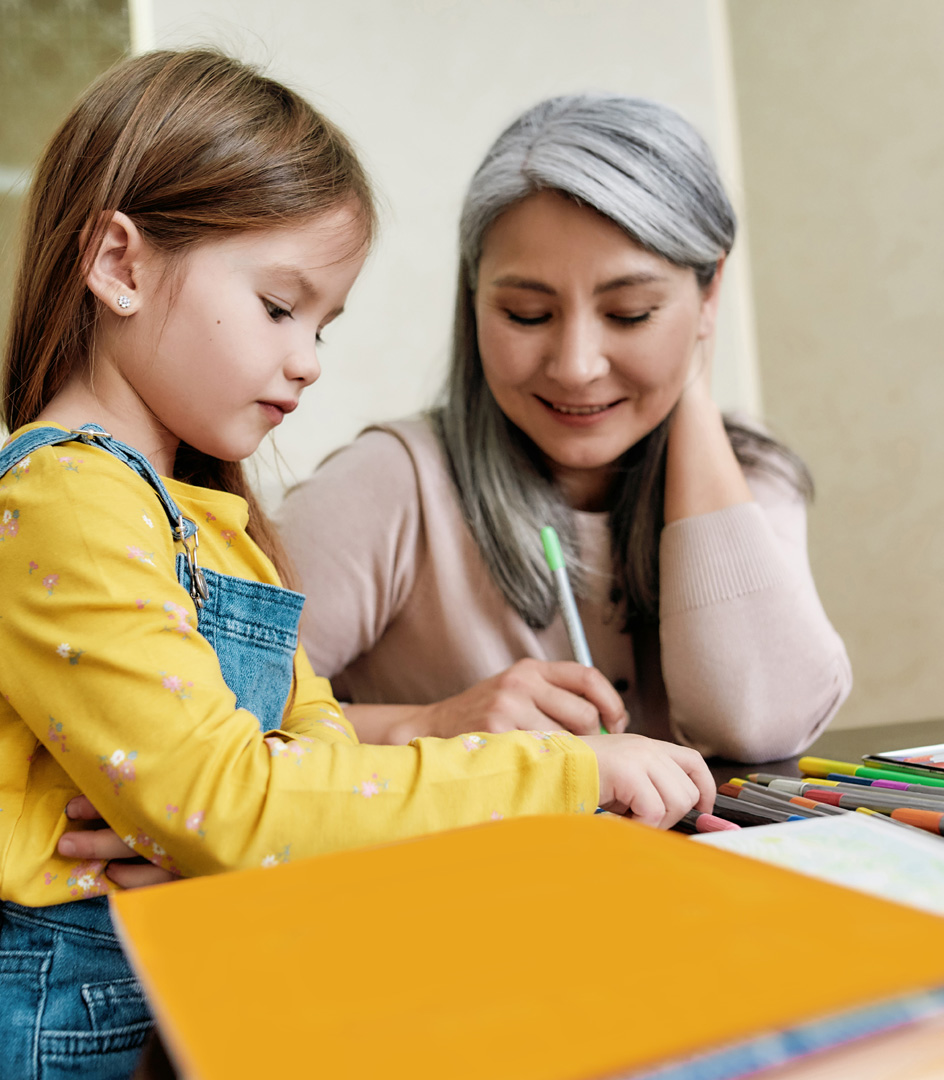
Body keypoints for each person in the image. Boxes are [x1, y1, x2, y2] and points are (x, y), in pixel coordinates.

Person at [0, 53, 714, 1079]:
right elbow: (241, 805)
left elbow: (312, 768)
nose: (309, 360)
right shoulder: (61, 504)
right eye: (280, 307)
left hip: (190, 991)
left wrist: (269, 812)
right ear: (119, 263)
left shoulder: (210, 524)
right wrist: (560, 773)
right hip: (44, 1038)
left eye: (324, 326)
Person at [275, 93, 852, 765]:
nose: (576, 368)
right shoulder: (390, 484)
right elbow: (188, 731)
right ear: (474, 300)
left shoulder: (750, 477)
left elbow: (757, 724)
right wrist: (432, 725)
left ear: (709, 292)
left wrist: (688, 384)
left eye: (631, 314)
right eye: (526, 314)